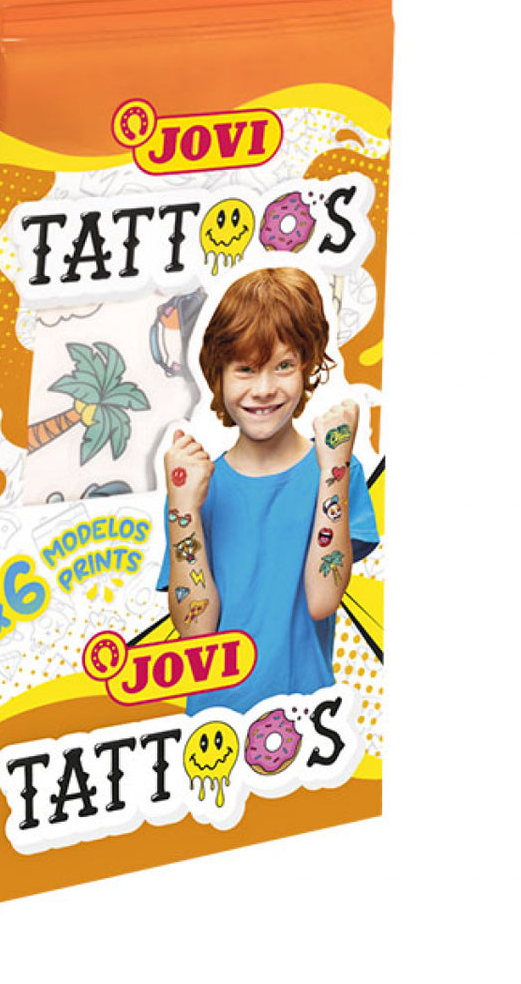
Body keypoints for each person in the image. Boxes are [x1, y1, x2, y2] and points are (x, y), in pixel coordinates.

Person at [157, 267, 379, 714]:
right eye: (245, 369)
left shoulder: (335, 471)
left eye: (283, 366)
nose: (264, 389)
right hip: (215, 726)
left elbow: (322, 600)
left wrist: (334, 468)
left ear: (307, 367)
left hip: (305, 721)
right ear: (218, 375)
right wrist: (183, 509)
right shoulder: (197, 489)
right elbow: (195, 632)